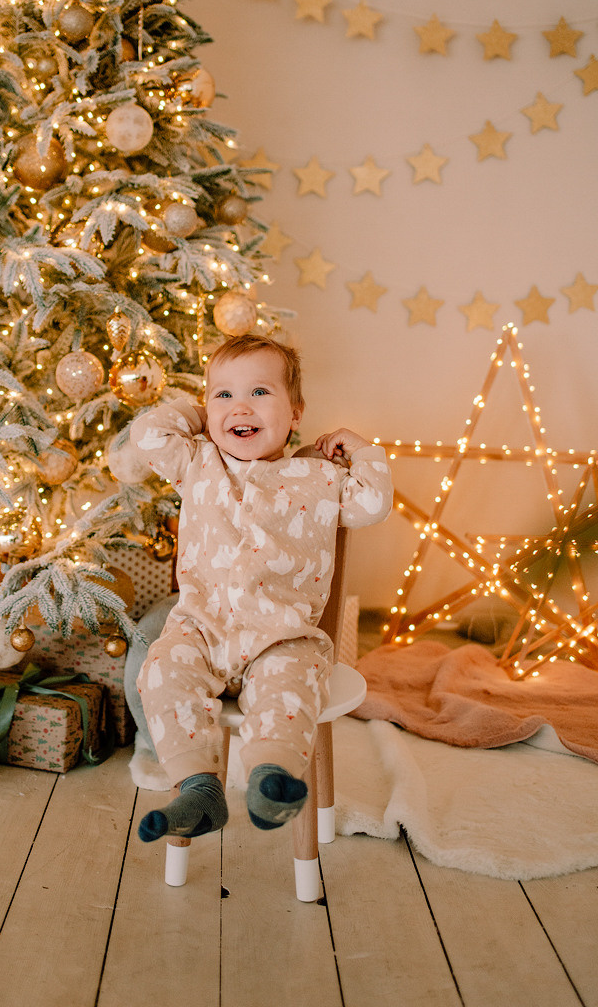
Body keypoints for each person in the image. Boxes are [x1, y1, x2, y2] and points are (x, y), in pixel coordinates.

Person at [129, 334, 393, 842]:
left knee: (289, 691)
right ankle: (198, 787)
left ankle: (271, 777)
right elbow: (148, 434)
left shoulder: (318, 477)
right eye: (223, 395)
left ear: (296, 412)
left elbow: (373, 502)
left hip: (283, 635)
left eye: (260, 393)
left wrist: (358, 448)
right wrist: (199, 408)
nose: (240, 407)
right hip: (201, 631)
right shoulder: (199, 462)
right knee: (161, 670)